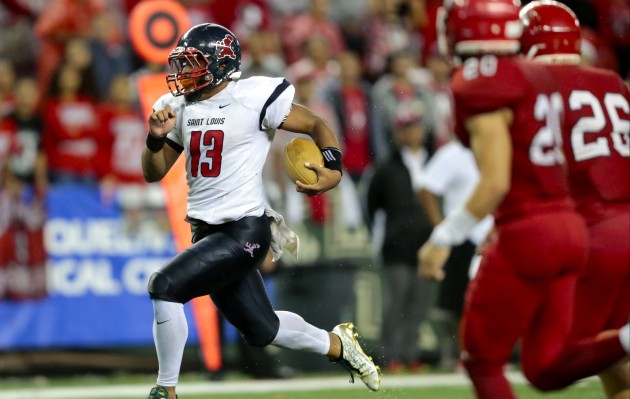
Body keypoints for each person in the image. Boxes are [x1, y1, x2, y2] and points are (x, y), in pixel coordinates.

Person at [140, 23, 381, 399]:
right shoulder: (179, 107)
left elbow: (315, 123)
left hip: (244, 230)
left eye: (193, 63)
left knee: (165, 286)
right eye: (182, 64)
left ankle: (166, 389)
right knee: (262, 330)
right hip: (206, 231)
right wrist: (155, 139)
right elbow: (153, 173)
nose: (183, 74)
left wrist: (332, 168)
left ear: (221, 63)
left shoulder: (253, 96)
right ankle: (339, 345)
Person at [417, 1, 629, 398]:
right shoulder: (611, 83)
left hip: (578, 232)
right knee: (604, 364)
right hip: (605, 226)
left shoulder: (520, 83)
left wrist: (449, 237)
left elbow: (511, 176)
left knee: (536, 362)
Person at [519, 2, 630, 398]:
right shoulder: (613, 83)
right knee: (615, 366)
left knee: (551, 364)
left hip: (592, 238)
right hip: (626, 225)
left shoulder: (536, 90)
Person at [366, 111, 434, 372]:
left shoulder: (434, 161)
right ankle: (389, 356)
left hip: (427, 243)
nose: (413, 133)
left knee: (419, 303)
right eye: (407, 128)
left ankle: (411, 354)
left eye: (416, 127)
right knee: (396, 301)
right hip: (397, 245)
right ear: (399, 132)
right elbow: (371, 205)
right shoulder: (387, 167)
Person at [417, 136, 493, 371]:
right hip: (462, 237)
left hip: (493, 234)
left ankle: (489, 352)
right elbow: (426, 187)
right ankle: (465, 353)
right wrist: (441, 229)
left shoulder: (495, 147)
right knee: (460, 303)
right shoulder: (453, 153)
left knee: (492, 299)